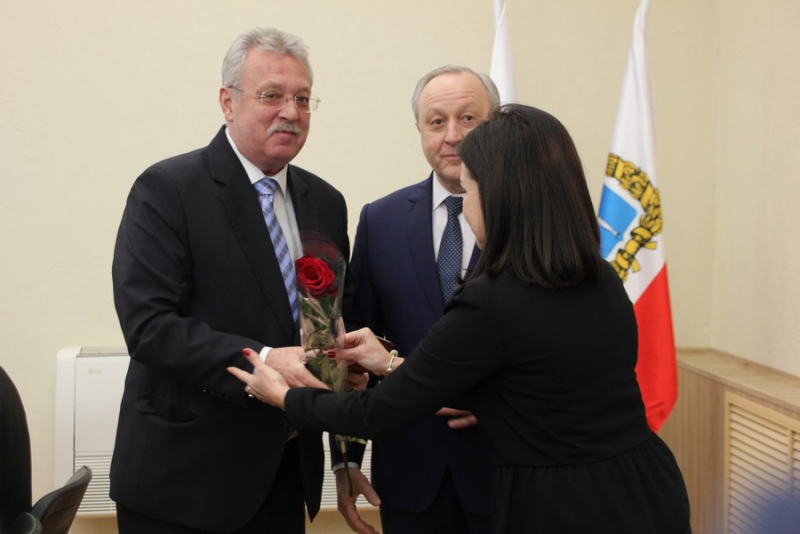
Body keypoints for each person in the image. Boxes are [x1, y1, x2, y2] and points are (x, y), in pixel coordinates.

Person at [231, 104, 693, 533]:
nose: (466, 204)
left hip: (561, 506)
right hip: (644, 485)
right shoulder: (600, 277)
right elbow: (530, 383)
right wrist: (389, 363)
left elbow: (379, 412)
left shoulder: (495, 299)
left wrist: (285, 397)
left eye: (469, 189)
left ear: (500, 197)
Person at [111, 27, 358, 533]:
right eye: (271, 95)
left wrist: (345, 453)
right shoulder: (168, 190)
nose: (291, 112)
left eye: (303, 98)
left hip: (286, 473)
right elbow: (150, 327)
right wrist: (263, 359)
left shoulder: (325, 202)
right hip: (187, 483)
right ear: (228, 102)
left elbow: (329, 327)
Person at [337, 65, 498, 534]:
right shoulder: (381, 220)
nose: (453, 137)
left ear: (495, 124)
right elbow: (356, 351)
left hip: (506, 467)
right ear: (419, 130)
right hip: (410, 469)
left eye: (468, 118)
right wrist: (347, 458)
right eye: (436, 122)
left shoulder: (529, 221)